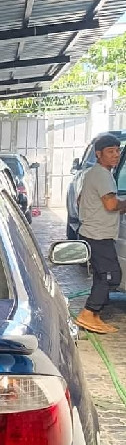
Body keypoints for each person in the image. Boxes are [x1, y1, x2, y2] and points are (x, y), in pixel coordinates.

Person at [75, 134, 126, 334]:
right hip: (98, 235)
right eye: (110, 151)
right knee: (111, 276)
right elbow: (111, 204)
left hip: (92, 232)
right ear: (98, 154)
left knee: (101, 275)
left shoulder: (93, 173)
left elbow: (80, 200)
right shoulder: (103, 175)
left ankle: (95, 316)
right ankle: (88, 313)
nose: (116, 155)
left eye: (118, 151)